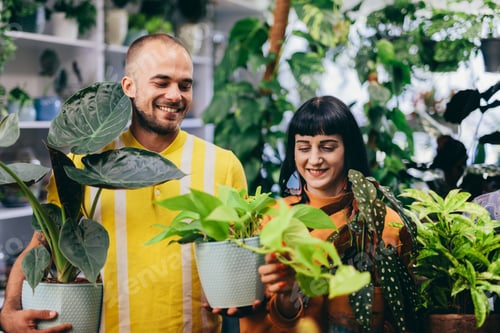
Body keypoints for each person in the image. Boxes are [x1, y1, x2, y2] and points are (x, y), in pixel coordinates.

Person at [0, 33, 247, 332]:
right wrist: (9, 309)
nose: (175, 95)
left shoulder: (222, 164)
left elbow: (241, 255)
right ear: (129, 86)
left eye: (185, 85)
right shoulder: (85, 164)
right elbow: (42, 245)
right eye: (161, 82)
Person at [239, 95, 404, 332]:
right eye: (304, 148)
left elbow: (406, 312)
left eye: (328, 147)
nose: (314, 160)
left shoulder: (384, 222)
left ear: (349, 149)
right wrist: (288, 297)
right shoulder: (271, 218)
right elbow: (252, 312)